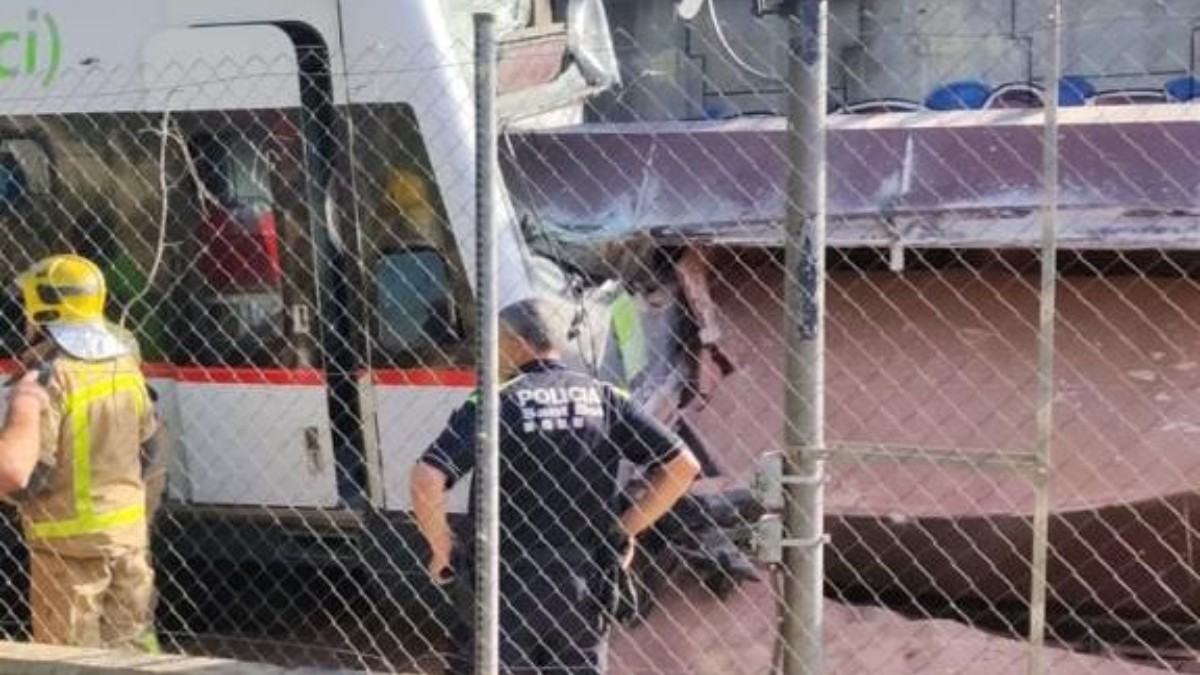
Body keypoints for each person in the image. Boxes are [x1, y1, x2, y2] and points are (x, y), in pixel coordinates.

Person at [411, 298, 702, 674]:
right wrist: (624, 530)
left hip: (504, 582)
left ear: (516, 343)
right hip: (582, 579)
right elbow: (683, 467)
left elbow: (427, 478)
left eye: (495, 344)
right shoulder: (605, 398)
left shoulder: (494, 404)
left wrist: (441, 546)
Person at [7, 254, 160, 652]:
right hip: (126, 540)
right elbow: (149, 449)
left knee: (70, 655)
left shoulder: (48, 377)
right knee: (131, 649)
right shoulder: (124, 365)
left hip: (68, 550)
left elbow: (31, 476)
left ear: (42, 312)